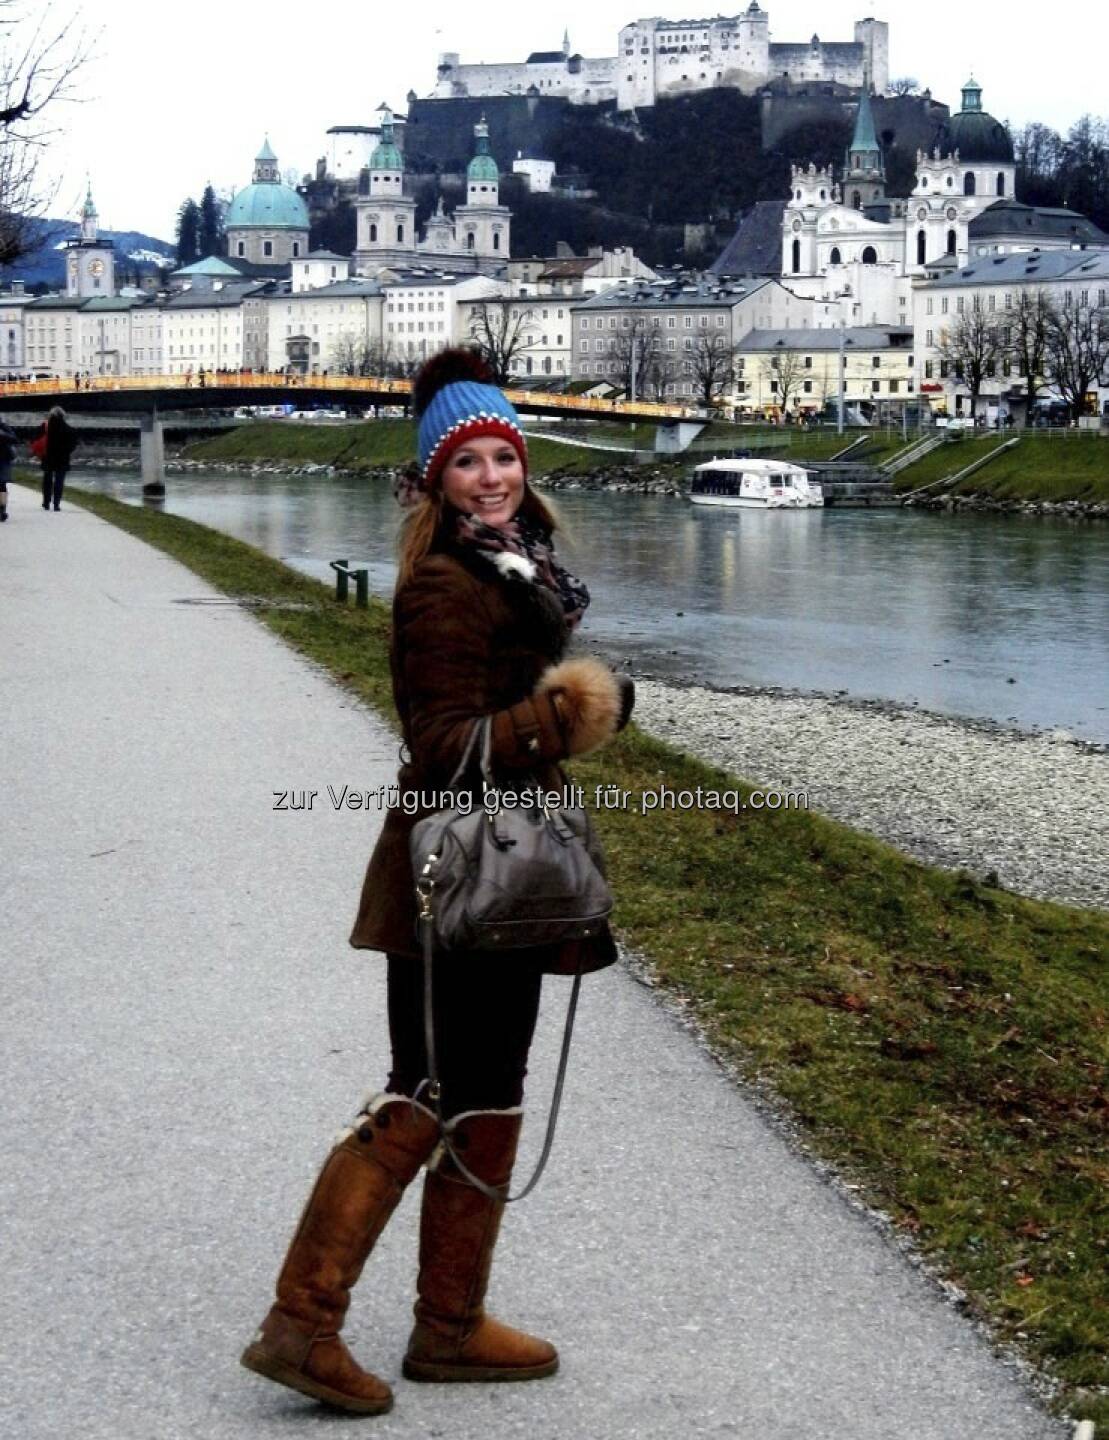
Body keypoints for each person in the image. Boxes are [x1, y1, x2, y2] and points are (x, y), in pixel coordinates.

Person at [241, 348, 633, 1416]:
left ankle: (448, 1325)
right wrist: (566, 714)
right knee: (426, 1089)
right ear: (434, 480)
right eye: (468, 462)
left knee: (486, 1090)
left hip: (501, 873)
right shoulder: (442, 587)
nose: (492, 476)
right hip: (456, 875)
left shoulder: (518, 573)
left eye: (505, 454)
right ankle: (302, 1322)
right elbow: (440, 742)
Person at [35, 407, 78, 511]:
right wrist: (66, 452)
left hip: (48, 457)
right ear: (63, 415)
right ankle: (56, 504)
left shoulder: (45, 427)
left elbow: (36, 438)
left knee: (47, 480)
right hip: (62, 458)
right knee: (59, 481)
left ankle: (46, 502)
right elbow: (73, 444)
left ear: (51, 415)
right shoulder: (68, 429)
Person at [0, 417, 16, 520]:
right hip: (4, 459)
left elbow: (14, 439)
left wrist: (2, 435)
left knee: (2, 485)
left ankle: (2, 510)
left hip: (3, 459)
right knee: (2, 486)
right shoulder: (4, 427)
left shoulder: (4, 428)